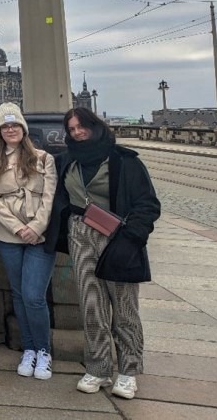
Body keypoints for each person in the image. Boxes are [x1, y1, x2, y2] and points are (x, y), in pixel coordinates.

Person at [59, 108, 160, 400]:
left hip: (118, 237)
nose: (77, 133)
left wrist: (132, 238)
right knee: (91, 304)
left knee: (124, 307)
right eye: (72, 129)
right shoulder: (67, 161)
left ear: (96, 127)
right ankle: (99, 367)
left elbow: (148, 204)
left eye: (81, 127)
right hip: (80, 235)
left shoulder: (124, 161)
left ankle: (128, 370)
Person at [0, 102, 58, 380]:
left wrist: (36, 227)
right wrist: (17, 227)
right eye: (5, 126)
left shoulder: (43, 158)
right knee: (18, 293)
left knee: (34, 296)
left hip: (39, 236)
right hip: (7, 234)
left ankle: (44, 351)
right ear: (0, 130)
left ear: (22, 128)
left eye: (14, 125)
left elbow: (49, 197)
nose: (10, 129)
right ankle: (28, 349)